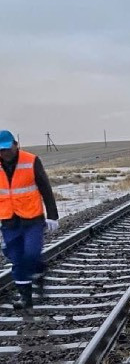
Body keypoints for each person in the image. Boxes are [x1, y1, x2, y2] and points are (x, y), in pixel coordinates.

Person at [0, 130, 59, 310]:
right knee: (17, 258)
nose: (4, 153)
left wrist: (52, 216)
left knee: (32, 254)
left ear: (15, 145)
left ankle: (39, 270)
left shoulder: (31, 160)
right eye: (1, 150)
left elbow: (45, 188)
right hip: (8, 221)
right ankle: (26, 298)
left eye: (7, 148)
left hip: (32, 218)